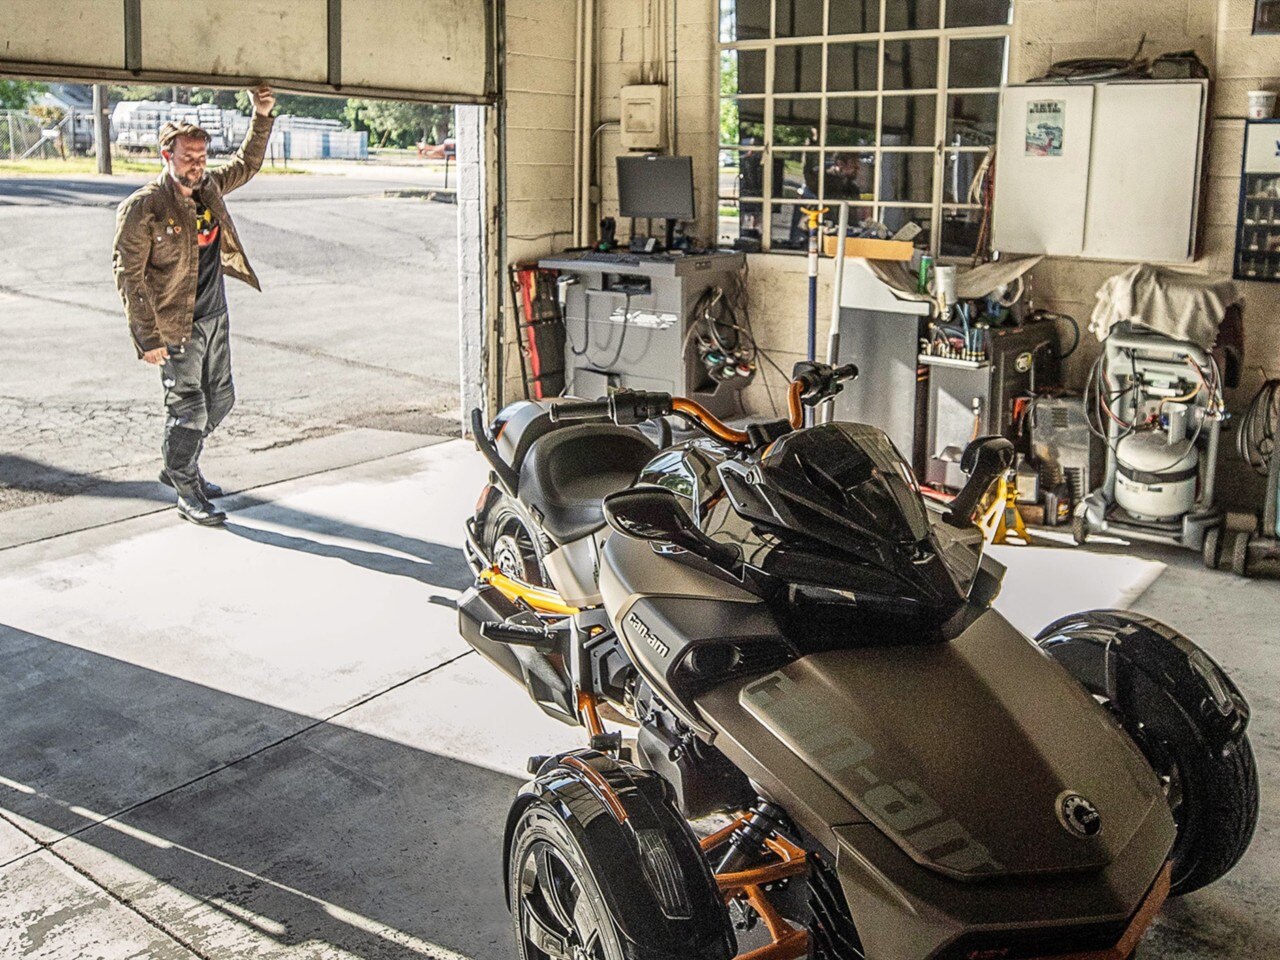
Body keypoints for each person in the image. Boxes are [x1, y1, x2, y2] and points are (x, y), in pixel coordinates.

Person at [112, 85, 276, 526]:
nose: (197, 165)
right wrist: (146, 337)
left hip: (214, 317)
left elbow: (247, 163)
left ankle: (177, 465)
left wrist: (261, 115)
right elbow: (128, 276)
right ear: (166, 155)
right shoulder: (144, 207)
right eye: (188, 157)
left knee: (221, 399)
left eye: (202, 156)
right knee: (189, 409)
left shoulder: (209, 188)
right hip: (174, 326)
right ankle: (187, 492)